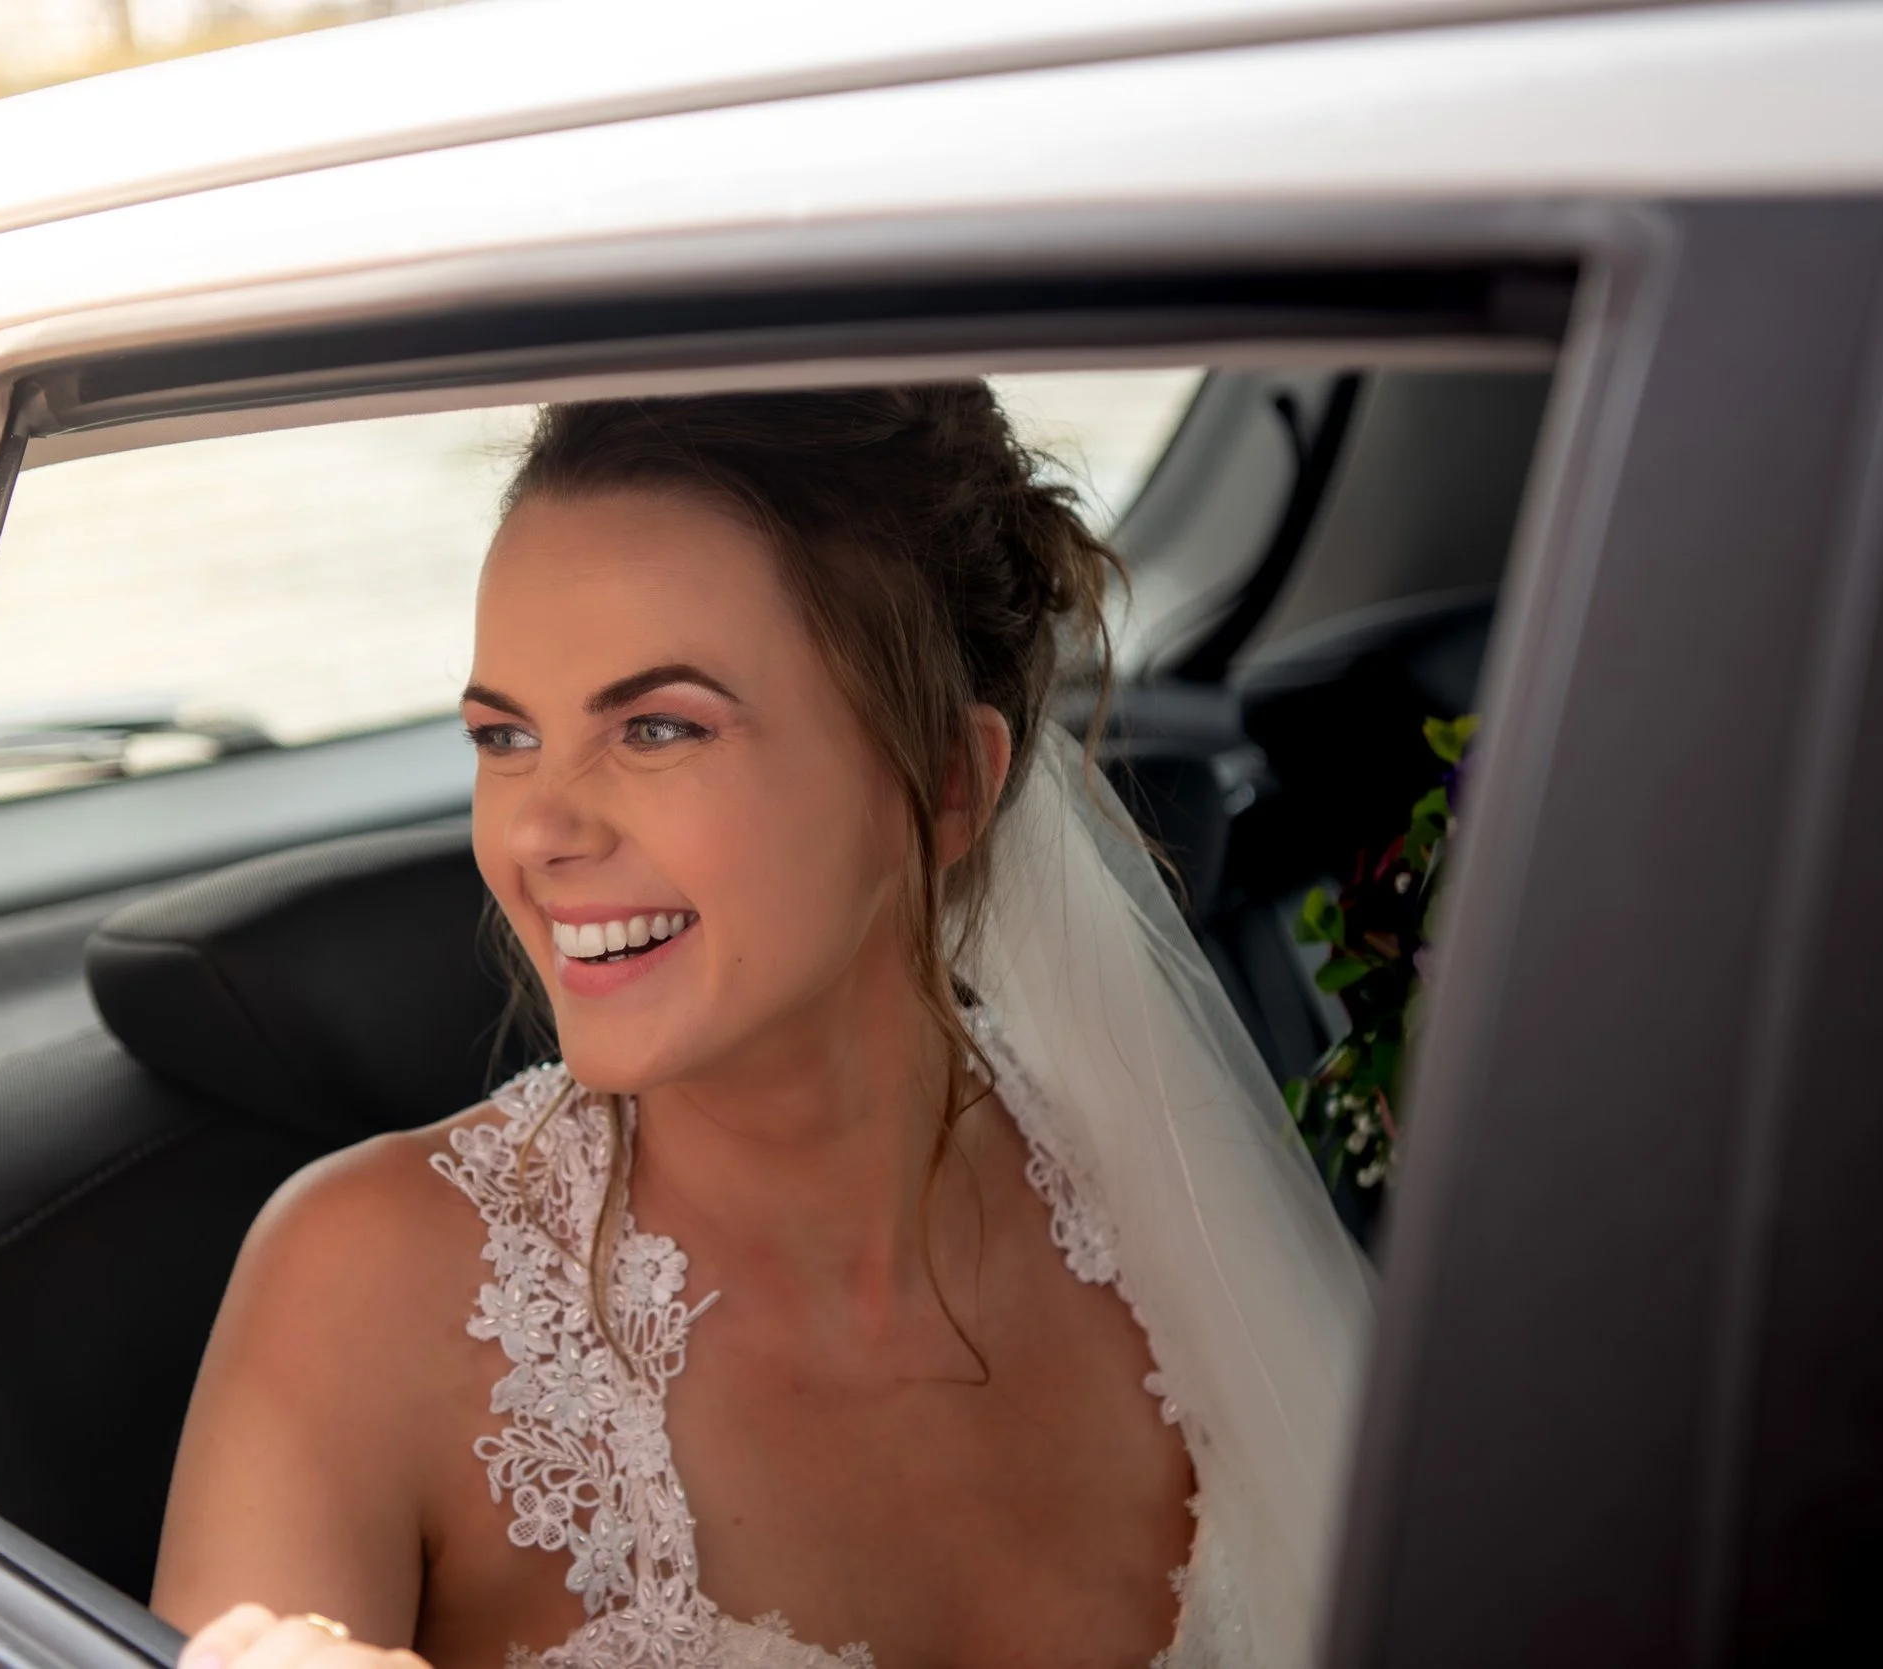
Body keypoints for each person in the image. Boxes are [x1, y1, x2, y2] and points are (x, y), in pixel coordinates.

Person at [152, 386, 1373, 1669]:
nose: (535, 832)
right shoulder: (355, 1291)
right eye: (504, 735)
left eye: (657, 727)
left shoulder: (1156, 1179)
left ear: (947, 785)